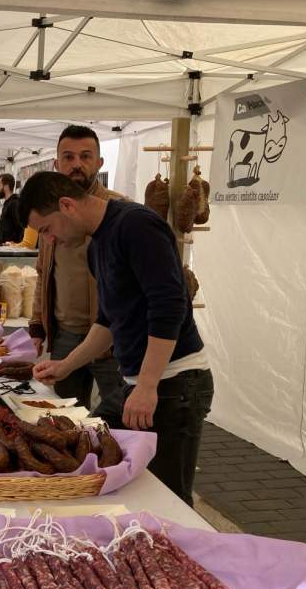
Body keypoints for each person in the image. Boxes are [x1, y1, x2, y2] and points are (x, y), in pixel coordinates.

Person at [22, 171, 213, 507]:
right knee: (94, 452)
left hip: (175, 384)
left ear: (67, 206)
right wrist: (67, 365)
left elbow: (169, 306)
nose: (49, 240)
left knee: (168, 499)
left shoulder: (137, 226)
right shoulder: (97, 245)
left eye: (47, 229)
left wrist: (148, 385)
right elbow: (110, 321)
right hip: (137, 383)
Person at [29, 125, 128, 425]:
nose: (77, 164)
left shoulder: (119, 210)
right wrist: (37, 325)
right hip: (66, 335)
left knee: (120, 415)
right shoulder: (52, 212)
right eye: (68, 157)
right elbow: (44, 272)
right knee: (65, 415)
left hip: (113, 339)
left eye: (86, 156)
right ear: (57, 164)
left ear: (99, 162)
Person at [0, 173, 23, 245]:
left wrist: (15, 244)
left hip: (11, 251)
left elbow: (21, 227)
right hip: (5, 249)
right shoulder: (7, 204)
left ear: (6, 186)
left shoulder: (14, 203)